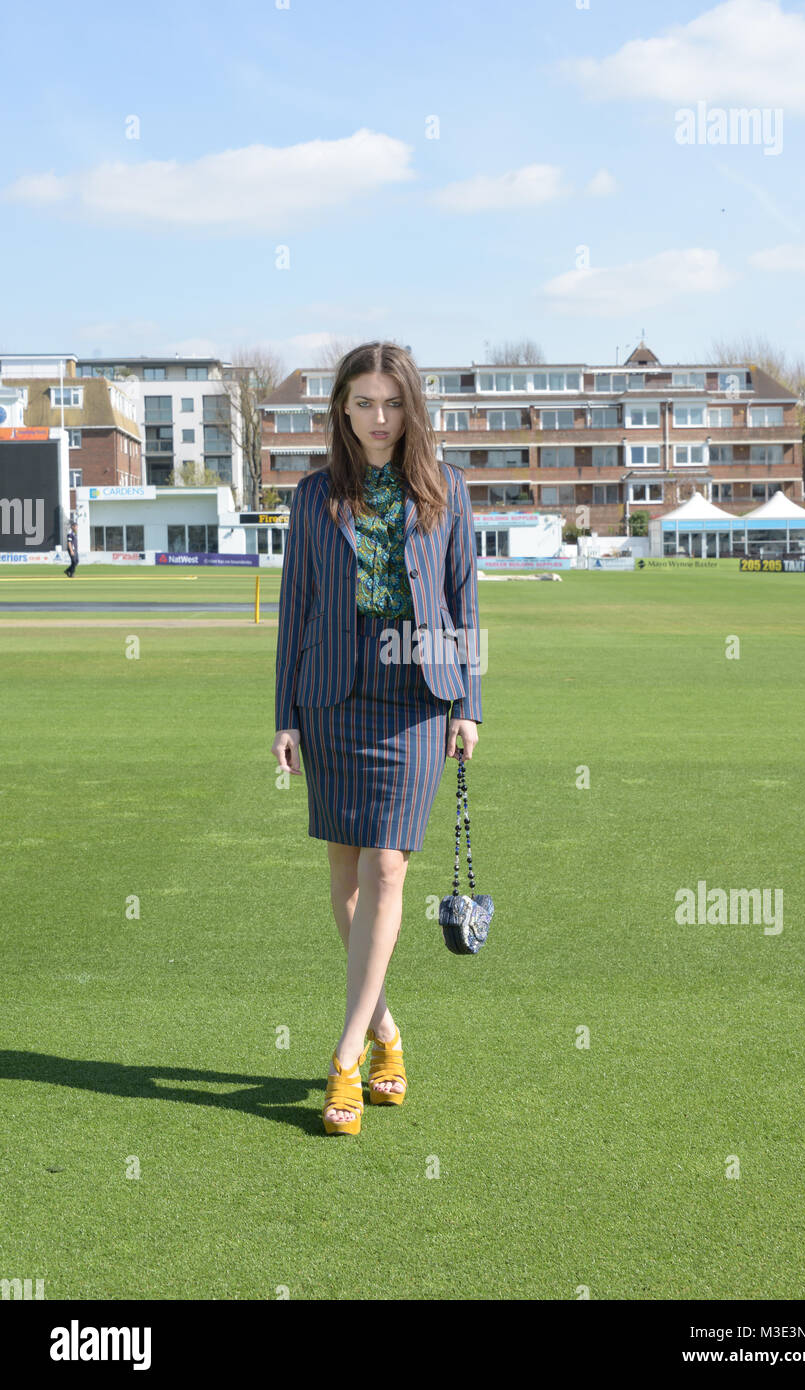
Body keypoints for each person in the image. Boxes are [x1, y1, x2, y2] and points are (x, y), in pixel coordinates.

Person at [271, 341, 483, 1136]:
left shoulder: (447, 491)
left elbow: (464, 603)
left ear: (411, 408)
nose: (379, 418)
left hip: (417, 698)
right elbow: (295, 610)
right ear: (341, 408)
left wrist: (470, 703)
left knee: (388, 867)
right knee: (346, 879)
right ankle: (388, 1031)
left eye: (392, 403)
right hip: (331, 700)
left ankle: (345, 1060)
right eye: (363, 403)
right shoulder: (314, 494)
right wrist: (284, 716)